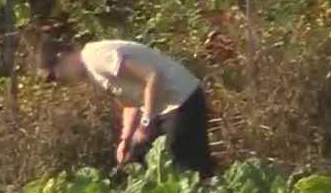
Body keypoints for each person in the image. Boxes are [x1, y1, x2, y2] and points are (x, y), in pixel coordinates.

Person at [47, 39, 215, 178]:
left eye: (52, 76)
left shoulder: (96, 58)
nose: (56, 83)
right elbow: (131, 103)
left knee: (186, 169)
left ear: (61, 56)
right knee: (141, 161)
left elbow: (152, 76)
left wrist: (145, 123)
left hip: (181, 99)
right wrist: (126, 140)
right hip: (162, 107)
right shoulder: (93, 72)